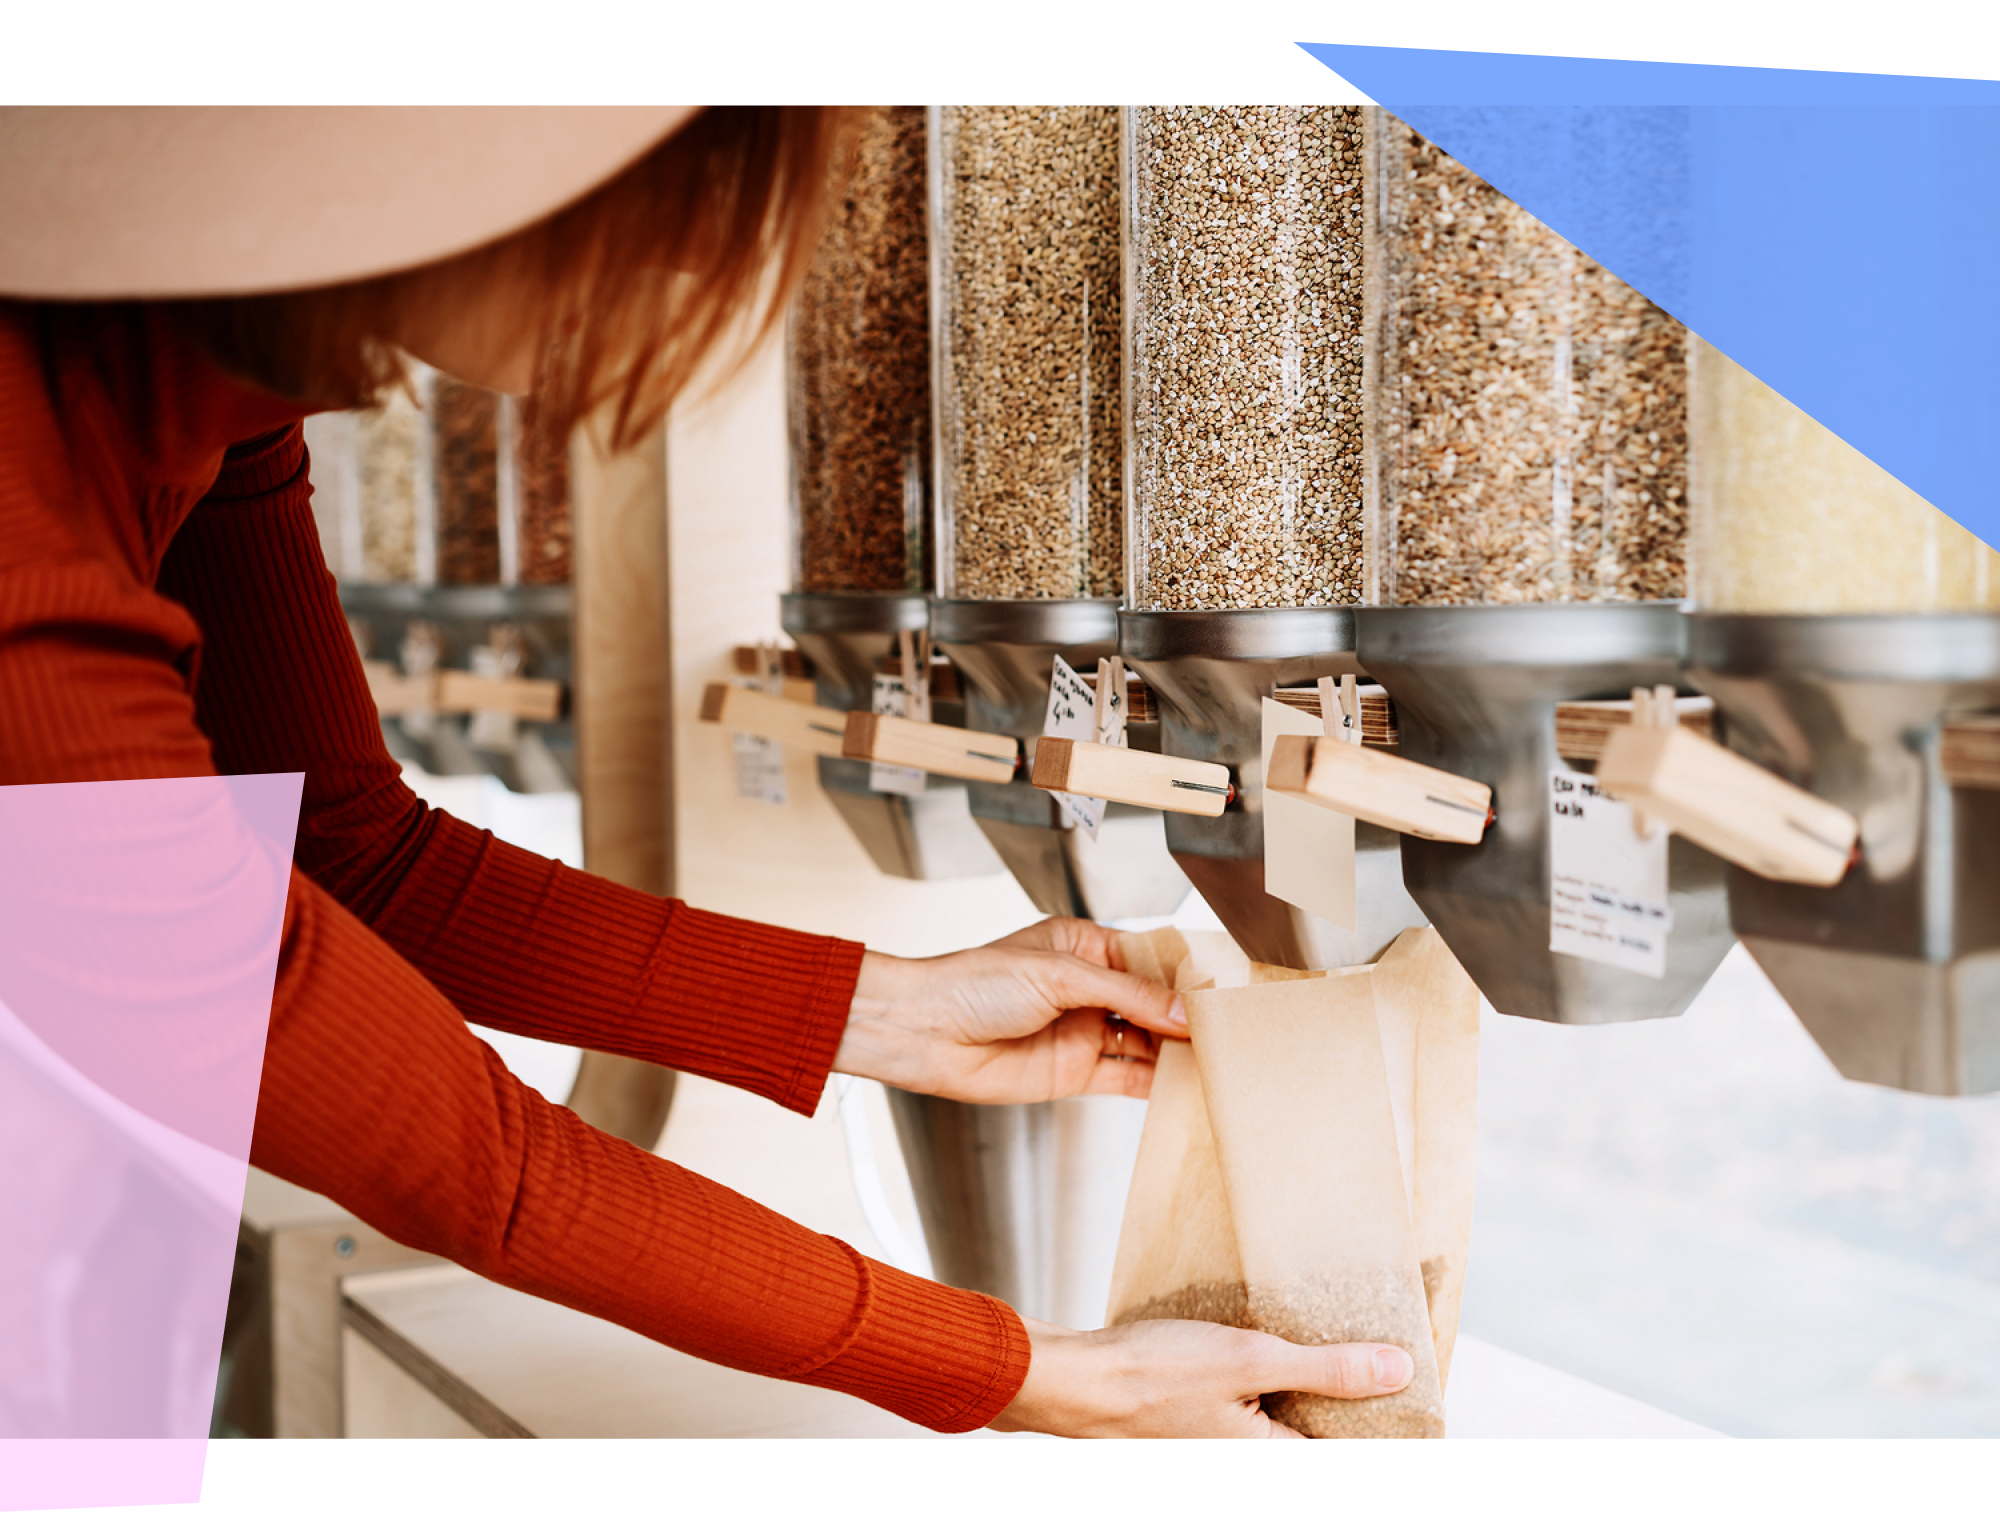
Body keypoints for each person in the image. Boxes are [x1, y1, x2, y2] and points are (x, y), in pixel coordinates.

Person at [0, 104, 1414, 1438]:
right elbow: (457, 1154)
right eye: (653, 183)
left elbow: (349, 853)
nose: (696, 261)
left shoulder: (214, 397)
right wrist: (1032, 1372)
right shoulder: (23, 527)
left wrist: (888, 1008)